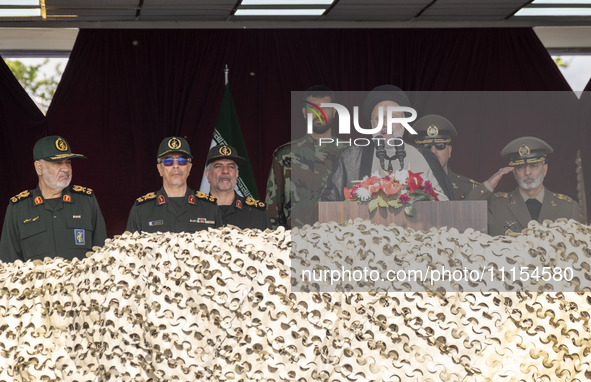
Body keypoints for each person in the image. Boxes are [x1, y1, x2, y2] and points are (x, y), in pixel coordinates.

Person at [320, 85, 455, 201]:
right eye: (378, 118)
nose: (385, 124)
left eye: (393, 117)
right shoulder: (351, 157)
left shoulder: (425, 157)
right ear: (371, 124)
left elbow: (445, 205)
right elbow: (327, 205)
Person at [0, 135, 107, 262]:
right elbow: (8, 264)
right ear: (39, 167)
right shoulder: (18, 209)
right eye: (58, 163)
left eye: (68, 162)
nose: (66, 169)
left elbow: (103, 255)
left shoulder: (86, 201)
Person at [266, 85, 344, 229]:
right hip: (294, 241)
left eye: (325, 108)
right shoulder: (285, 154)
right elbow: (273, 208)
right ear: (304, 112)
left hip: (340, 240)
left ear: (334, 112)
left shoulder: (349, 153)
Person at [488, 136, 582, 236]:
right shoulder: (496, 205)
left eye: (534, 166)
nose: (527, 172)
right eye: (521, 167)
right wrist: (487, 185)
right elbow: (471, 224)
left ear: (544, 170)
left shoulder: (567, 208)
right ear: (514, 172)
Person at [126, 136, 222, 233]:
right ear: (160, 169)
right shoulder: (141, 210)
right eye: (168, 162)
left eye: (182, 161)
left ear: (189, 168)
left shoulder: (210, 208)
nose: (176, 166)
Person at [412, 114, 513, 200]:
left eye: (440, 146)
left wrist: (487, 186)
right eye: (426, 147)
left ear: (449, 151)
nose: (433, 151)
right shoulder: (403, 185)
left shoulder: (470, 188)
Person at [204, 144, 271, 230]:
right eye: (218, 166)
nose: (225, 171)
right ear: (208, 174)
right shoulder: (194, 211)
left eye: (231, 166)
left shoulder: (257, 213)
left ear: (236, 174)